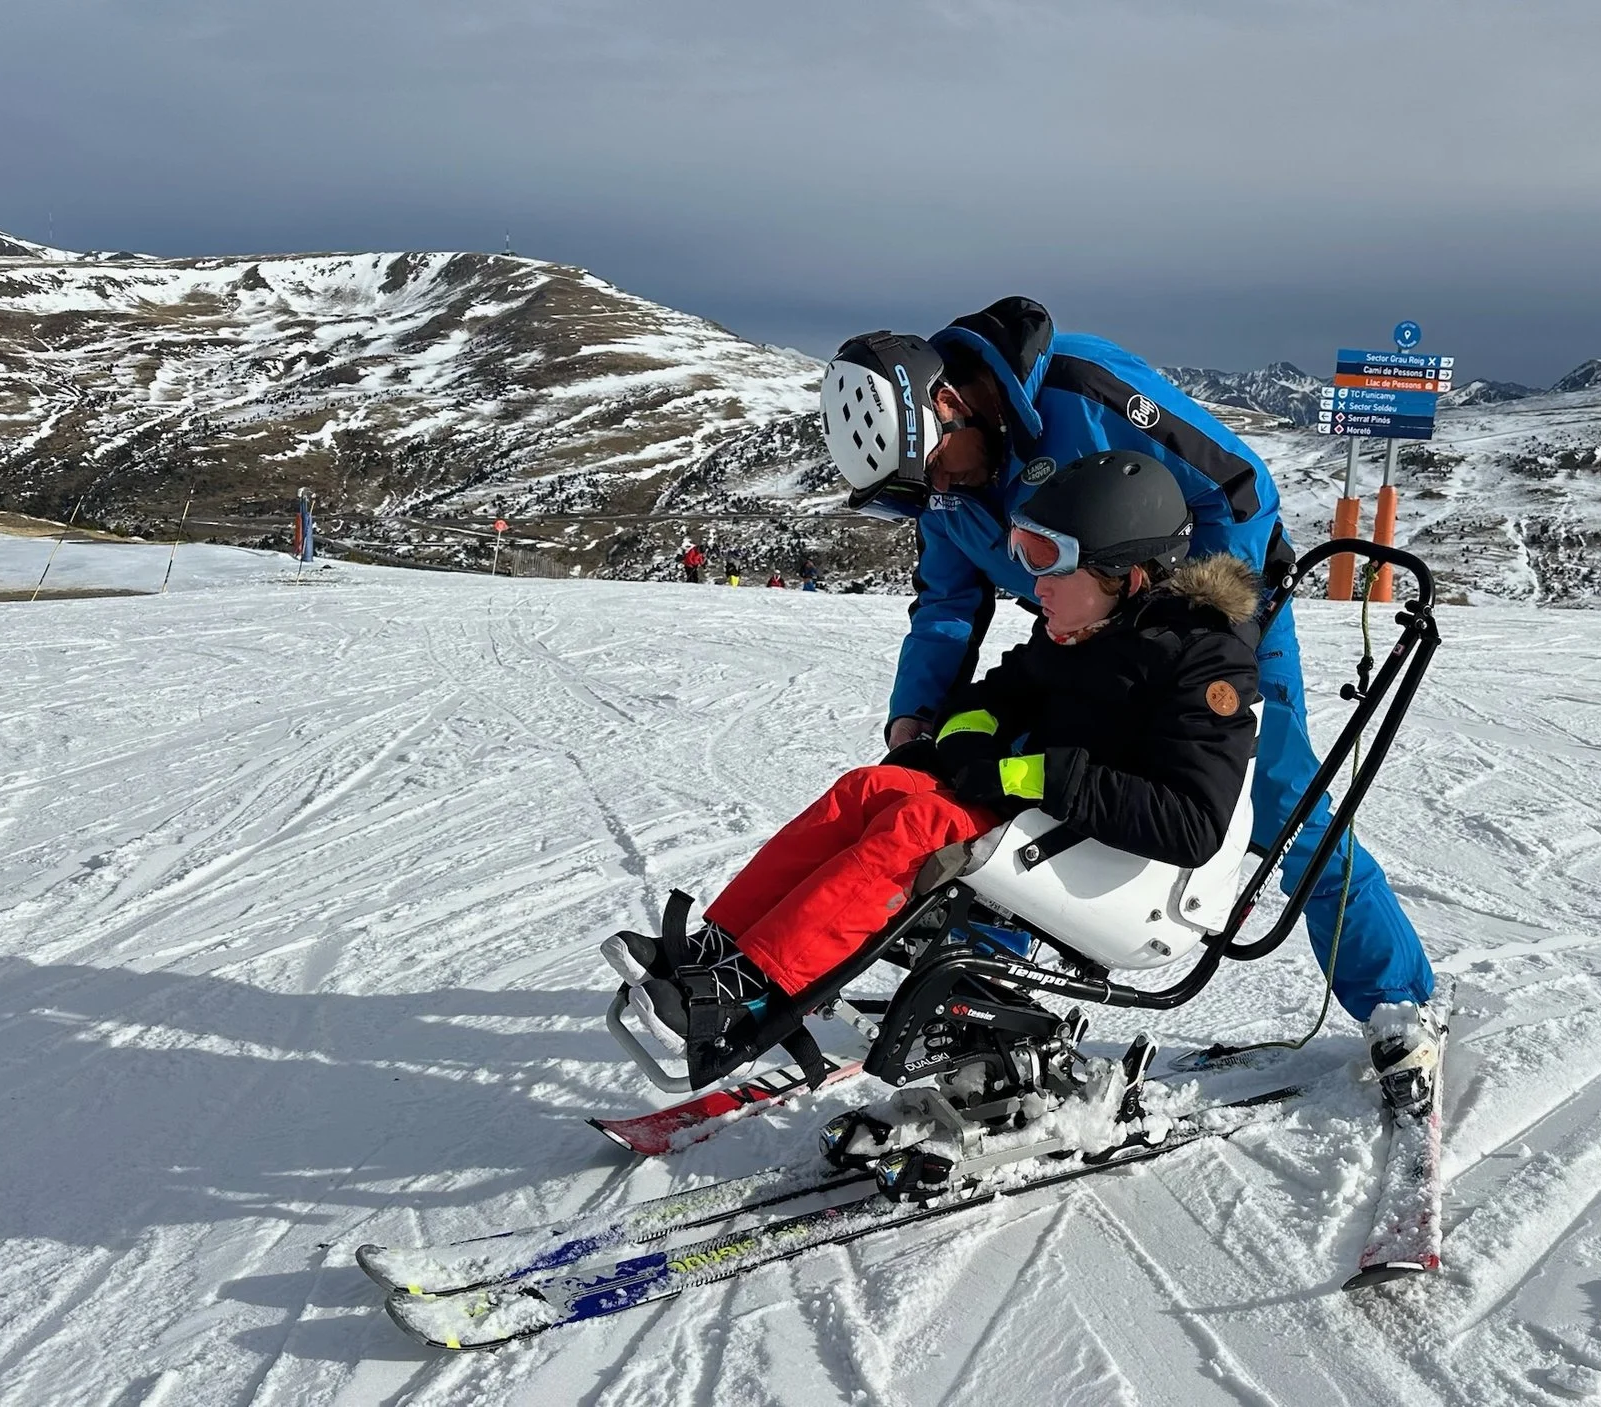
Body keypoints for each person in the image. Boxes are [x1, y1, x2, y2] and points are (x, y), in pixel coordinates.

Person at [820, 298, 1441, 1111]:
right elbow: (945, 607)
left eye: (937, 468)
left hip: (1215, 618)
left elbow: (1241, 488)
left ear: (949, 403)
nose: (941, 488)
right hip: (1075, 632)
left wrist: (1186, 637)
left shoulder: (1083, 389)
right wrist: (915, 721)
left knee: (1286, 806)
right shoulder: (945, 486)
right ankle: (982, 978)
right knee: (1004, 776)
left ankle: (1400, 1001)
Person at [607, 452, 1261, 1058]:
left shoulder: (1206, 663)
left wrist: (1024, 773)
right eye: (1024, 551)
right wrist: (961, 737)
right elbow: (998, 694)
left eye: (1050, 559)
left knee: (921, 828)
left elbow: (1192, 823)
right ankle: (715, 955)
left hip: (1127, 874)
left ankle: (740, 997)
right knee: (867, 788)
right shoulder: (1080, 629)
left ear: (1126, 573)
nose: (1036, 581)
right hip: (1055, 823)